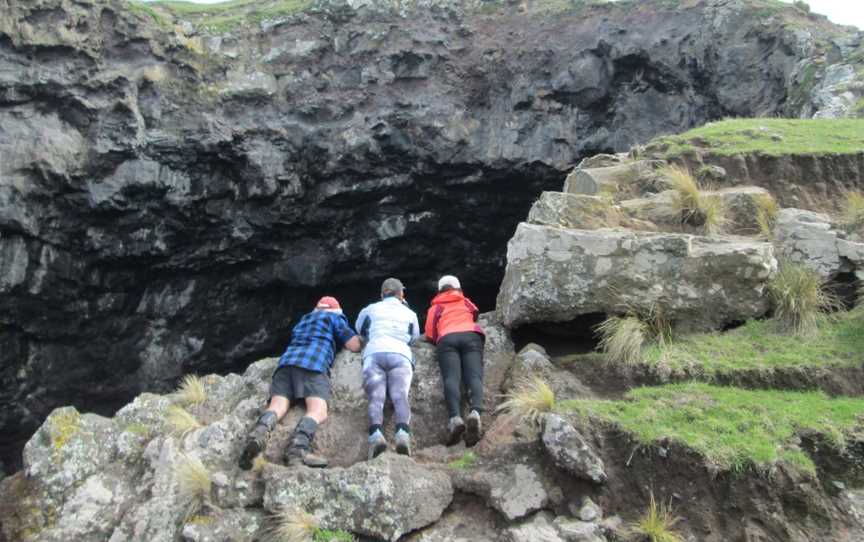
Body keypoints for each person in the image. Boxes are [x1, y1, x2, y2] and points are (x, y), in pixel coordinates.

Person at [239, 296, 361, 470]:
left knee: (277, 407)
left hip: (285, 366)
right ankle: (297, 450)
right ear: (335, 310)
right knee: (318, 410)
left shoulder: (303, 320)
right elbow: (354, 345)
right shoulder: (334, 317)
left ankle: (257, 435)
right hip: (312, 365)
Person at [355, 278, 421, 459]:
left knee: (376, 397)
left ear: (382, 294)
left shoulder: (371, 308)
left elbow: (359, 328)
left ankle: (376, 434)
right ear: (402, 295)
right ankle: (402, 434)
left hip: (374, 353)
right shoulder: (410, 314)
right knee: (400, 395)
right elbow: (414, 337)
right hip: (400, 354)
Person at [423, 275, 485, 446]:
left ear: (439, 291)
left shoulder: (435, 307)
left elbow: (430, 333)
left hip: (447, 338)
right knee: (474, 376)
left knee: (451, 378)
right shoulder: (465, 301)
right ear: (458, 288)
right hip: (471, 335)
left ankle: (455, 418)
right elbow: (475, 312)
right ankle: (476, 412)